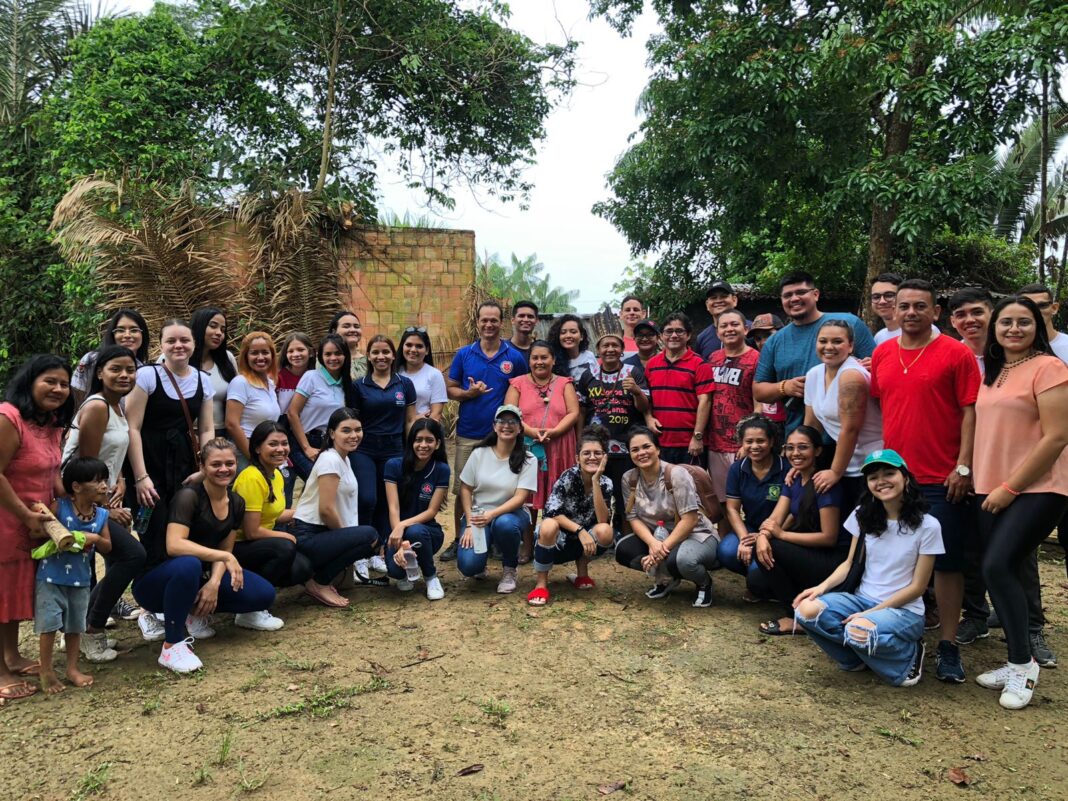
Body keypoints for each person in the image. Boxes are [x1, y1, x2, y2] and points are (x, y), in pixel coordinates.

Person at [869, 278, 980, 683]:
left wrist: (963, 467)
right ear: (894, 311)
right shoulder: (882, 353)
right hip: (896, 476)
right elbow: (885, 403)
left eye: (920, 306)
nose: (911, 312)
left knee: (946, 563)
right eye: (904, 306)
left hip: (942, 475)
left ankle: (948, 645)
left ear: (936, 312)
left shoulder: (956, 353)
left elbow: (970, 412)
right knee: (897, 558)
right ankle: (902, 633)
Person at [972, 296, 1068, 709]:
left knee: (997, 566)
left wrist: (1010, 487)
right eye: (1006, 322)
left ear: (1038, 327)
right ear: (994, 329)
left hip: (1038, 487)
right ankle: (1018, 658)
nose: (1014, 329)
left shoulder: (1050, 368)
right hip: (989, 484)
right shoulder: (994, 372)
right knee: (999, 570)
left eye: (1023, 322)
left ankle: (1022, 665)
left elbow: (1058, 436)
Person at [794, 450, 943, 686]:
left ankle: (908, 655)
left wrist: (870, 614)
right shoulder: (862, 515)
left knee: (858, 630)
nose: (881, 481)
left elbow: (917, 587)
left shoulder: (928, 526)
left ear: (905, 477)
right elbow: (849, 563)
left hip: (904, 611)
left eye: (889, 473)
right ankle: (854, 659)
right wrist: (820, 588)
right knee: (806, 610)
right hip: (862, 599)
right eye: (873, 477)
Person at [131, 439, 275, 674]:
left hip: (198, 576)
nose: (224, 469)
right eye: (216, 464)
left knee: (263, 594)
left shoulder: (236, 502)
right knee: (189, 564)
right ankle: (172, 645)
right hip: (157, 581)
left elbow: (225, 550)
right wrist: (224, 557)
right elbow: (174, 545)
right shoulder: (189, 497)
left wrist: (214, 584)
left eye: (229, 463)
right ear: (203, 466)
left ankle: (192, 611)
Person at [126, 319, 216, 643]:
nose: (179, 346)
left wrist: (205, 469)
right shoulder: (148, 376)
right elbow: (132, 427)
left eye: (185, 340)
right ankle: (149, 610)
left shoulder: (204, 380)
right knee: (151, 534)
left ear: (194, 344)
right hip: (148, 468)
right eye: (171, 340)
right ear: (161, 344)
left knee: (185, 532)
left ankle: (183, 604)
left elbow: (207, 428)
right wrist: (140, 477)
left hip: (184, 469)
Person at [60, 345, 144, 662]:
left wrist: (120, 479)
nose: (124, 375)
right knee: (132, 555)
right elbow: (85, 466)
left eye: (130, 370)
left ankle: (85, 624)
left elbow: (110, 455)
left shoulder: (117, 406)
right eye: (116, 369)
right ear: (99, 373)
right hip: (80, 501)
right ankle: (91, 628)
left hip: (98, 496)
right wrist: (108, 508)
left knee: (125, 557)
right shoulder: (97, 406)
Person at [0, 355, 74, 700]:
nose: (58, 389)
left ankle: (11, 656)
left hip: (34, 522)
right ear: (30, 381)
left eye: (64, 383)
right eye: (50, 381)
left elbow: (52, 473)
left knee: (12, 592)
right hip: (7, 519)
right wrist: (24, 514)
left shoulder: (51, 424)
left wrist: (76, 498)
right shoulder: (9, 418)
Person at [443, 300, 529, 560]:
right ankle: (459, 538)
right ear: (477, 322)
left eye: (494, 320)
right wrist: (468, 393)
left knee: (503, 487)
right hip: (469, 432)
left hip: (502, 436)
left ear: (501, 323)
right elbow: (450, 389)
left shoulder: (514, 357)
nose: (489, 324)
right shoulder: (464, 354)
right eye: (484, 320)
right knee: (464, 487)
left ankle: (499, 539)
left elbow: (523, 389)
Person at [753, 271, 876, 434]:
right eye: (787, 295)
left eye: (801, 292)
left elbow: (880, 369)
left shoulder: (849, 323)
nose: (794, 299)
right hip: (801, 437)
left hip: (854, 434)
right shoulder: (775, 341)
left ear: (816, 294)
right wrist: (785, 387)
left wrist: (871, 367)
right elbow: (759, 390)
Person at [750, 426, 844, 635]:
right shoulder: (793, 479)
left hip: (829, 559)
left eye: (803, 447)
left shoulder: (823, 484)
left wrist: (781, 535)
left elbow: (829, 537)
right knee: (756, 582)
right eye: (790, 448)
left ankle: (796, 616)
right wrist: (763, 535)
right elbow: (775, 517)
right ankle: (802, 601)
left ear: (817, 451)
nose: (795, 453)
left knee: (771, 548)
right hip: (806, 553)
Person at [615, 427, 720, 607]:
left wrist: (661, 549)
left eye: (646, 447)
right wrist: (653, 543)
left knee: (683, 561)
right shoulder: (629, 479)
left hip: (695, 535)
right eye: (635, 449)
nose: (641, 453)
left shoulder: (676, 474)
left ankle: (704, 582)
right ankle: (666, 578)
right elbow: (633, 518)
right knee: (624, 549)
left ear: (657, 449)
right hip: (658, 535)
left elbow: (690, 519)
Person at [34, 457, 113, 693]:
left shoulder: (101, 515)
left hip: (80, 580)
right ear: (76, 486)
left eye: (105, 480)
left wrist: (95, 538)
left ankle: (72, 668)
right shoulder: (60, 507)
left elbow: (108, 546)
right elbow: (38, 531)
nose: (104, 486)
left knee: (75, 625)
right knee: (49, 625)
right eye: (97, 481)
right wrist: (56, 533)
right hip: (50, 578)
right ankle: (46, 670)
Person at [292, 408, 384, 606]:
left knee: (369, 541)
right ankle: (319, 582)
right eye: (346, 430)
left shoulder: (344, 458)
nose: (354, 435)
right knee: (369, 535)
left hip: (323, 532)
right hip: (310, 535)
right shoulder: (330, 459)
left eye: (358, 430)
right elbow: (326, 510)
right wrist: (347, 539)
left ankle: (321, 576)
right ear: (332, 433)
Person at [232, 421, 314, 629]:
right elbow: (251, 531)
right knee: (285, 547)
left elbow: (274, 514)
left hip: (259, 542)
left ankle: (255, 594)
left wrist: (306, 513)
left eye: (284, 443)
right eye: (273, 444)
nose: (281, 449)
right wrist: (286, 536)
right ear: (257, 448)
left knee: (302, 567)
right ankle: (250, 609)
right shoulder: (252, 477)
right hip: (238, 545)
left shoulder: (275, 474)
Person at [505, 341, 580, 563]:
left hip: (560, 446)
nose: (539, 362)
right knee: (528, 498)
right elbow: (510, 413)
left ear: (553, 360)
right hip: (528, 448)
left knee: (559, 496)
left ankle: (555, 544)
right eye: (535, 357)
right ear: (529, 361)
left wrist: (555, 431)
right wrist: (531, 432)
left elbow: (573, 412)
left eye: (544, 357)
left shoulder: (565, 383)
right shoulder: (517, 383)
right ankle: (527, 545)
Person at [802, 319, 884, 515]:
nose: (829, 347)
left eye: (837, 341)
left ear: (851, 346)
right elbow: (811, 426)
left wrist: (835, 472)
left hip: (872, 463)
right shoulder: (814, 374)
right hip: (843, 463)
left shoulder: (851, 376)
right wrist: (803, 460)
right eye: (823, 341)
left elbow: (851, 429)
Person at [527, 428, 615, 606]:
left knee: (605, 531)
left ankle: (582, 574)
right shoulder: (568, 477)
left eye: (597, 453)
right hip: (558, 540)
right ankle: (541, 584)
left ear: (605, 457)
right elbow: (551, 512)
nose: (592, 457)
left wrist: (596, 481)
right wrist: (580, 531)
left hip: (583, 542)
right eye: (586, 453)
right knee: (548, 525)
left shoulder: (606, 482)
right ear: (577, 458)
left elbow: (602, 520)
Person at [456, 405, 538, 593]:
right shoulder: (479, 453)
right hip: (478, 515)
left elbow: (520, 498)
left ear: (520, 428)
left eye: (512, 422)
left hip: (511, 514)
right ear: (494, 426)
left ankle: (510, 568)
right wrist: (469, 523)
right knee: (468, 566)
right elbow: (466, 489)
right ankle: (480, 560)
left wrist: (492, 515)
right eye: (501, 421)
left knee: (504, 524)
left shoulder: (528, 459)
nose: (506, 426)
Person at [576, 329, 651, 534]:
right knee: (595, 491)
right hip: (595, 447)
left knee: (624, 493)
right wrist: (579, 441)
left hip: (625, 444)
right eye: (605, 346)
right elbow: (582, 411)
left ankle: (625, 536)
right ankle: (596, 535)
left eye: (615, 345)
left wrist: (636, 391)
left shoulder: (633, 372)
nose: (610, 349)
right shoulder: (589, 375)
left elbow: (644, 407)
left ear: (622, 349)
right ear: (598, 350)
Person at [352, 335, 417, 543]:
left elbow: (410, 420)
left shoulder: (405, 384)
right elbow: (353, 421)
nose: (381, 356)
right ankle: (363, 544)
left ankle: (382, 546)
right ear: (368, 356)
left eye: (386, 352)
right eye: (376, 352)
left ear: (393, 355)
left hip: (394, 449)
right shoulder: (358, 386)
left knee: (387, 499)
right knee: (367, 498)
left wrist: (411, 450)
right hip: (365, 449)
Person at [699, 309, 759, 525]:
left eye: (734, 324)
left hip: (743, 444)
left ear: (746, 329)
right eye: (724, 326)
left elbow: (759, 404)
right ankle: (727, 543)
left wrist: (748, 441)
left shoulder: (756, 359)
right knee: (723, 504)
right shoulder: (713, 358)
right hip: (716, 443)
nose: (729, 329)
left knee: (751, 501)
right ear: (718, 333)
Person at [383, 419, 450, 601]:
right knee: (395, 571)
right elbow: (393, 507)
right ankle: (406, 570)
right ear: (411, 441)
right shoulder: (393, 465)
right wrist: (399, 540)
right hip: (396, 531)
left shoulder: (441, 469)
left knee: (416, 531)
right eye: (418, 439)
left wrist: (402, 526)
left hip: (426, 532)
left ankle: (431, 577)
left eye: (429, 440)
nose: (423, 445)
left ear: (437, 444)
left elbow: (431, 511)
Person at [719, 415, 789, 588]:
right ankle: (756, 581)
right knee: (726, 551)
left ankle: (763, 585)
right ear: (742, 443)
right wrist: (744, 539)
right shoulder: (737, 469)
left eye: (761, 441)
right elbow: (732, 509)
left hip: (781, 531)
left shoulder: (786, 469)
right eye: (749, 441)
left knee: (759, 568)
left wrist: (766, 534)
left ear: (771, 442)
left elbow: (793, 511)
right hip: (750, 527)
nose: (755, 446)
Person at [287, 333, 360, 482]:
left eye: (338, 353)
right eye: (328, 354)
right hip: (306, 442)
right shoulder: (311, 377)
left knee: (332, 487)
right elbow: (292, 413)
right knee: (320, 483)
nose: (333, 358)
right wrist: (307, 448)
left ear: (345, 355)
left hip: (332, 444)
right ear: (320, 356)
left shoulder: (347, 383)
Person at [644, 312, 711, 466]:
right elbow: (646, 398)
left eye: (679, 331)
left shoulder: (700, 364)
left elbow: (705, 401)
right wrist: (648, 418)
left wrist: (697, 437)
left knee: (692, 482)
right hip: (660, 442)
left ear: (688, 335)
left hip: (690, 444)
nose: (674, 335)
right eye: (669, 331)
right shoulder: (652, 365)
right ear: (661, 336)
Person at [226, 332, 281, 469]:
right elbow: (232, 423)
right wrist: (253, 458)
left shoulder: (270, 383)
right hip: (246, 451)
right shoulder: (240, 383)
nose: (260, 357)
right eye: (254, 353)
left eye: (265, 352)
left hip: (266, 451)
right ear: (246, 356)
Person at [71, 308, 150, 404]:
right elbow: (77, 395)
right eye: (120, 330)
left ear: (143, 335)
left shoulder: (145, 370)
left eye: (134, 330)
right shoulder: (92, 359)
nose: (127, 335)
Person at [275, 331, 315, 505]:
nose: (295, 354)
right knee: (287, 482)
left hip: (310, 434)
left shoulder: (316, 376)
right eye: (291, 351)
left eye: (300, 350)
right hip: (284, 434)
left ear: (311, 352)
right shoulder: (278, 377)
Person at [189, 307, 238, 438]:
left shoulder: (227, 359)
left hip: (221, 434)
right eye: (213, 326)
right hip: (185, 434)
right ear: (199, 326)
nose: (219, 333)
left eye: (223, 330)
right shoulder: (177, 357)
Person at [748, 313, 787, 434]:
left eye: (768, 335)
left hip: (789, 423)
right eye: (758, 339)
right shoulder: (757, 361)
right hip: (765, 425)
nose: (763, 342)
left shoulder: (791, 360)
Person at [398, 327, 447, 421]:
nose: (413, 349)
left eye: (419, 346)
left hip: (421, 428)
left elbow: (436, 414)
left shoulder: (434, 375)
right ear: (402, 347)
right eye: (409, 345)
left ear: (427, 350)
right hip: (394, 429)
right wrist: (413, 419)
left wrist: (417, 424)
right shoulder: (394, 373)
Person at [695, 281, 749, 359]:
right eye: (713, 298)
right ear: (707, 304)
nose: (718, 301)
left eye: (723, 296)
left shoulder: (752, 330)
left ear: (734, 300)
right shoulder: (702, 338)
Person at [1019, 283, 1068, 363]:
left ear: (1054, 308)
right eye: (1027, 306)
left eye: (1042, 305)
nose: (1035, 311)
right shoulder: (1011, 347)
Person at [947, 288, 994, 370]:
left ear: (993, 315)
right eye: (961, 315)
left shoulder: (1011, 354)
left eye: (977, 312)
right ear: (953, 321)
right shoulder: (947, 358)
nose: (969, 320)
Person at [548, 314, 597, 382]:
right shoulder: (553, 361)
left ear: (581, 336)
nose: (568, 336)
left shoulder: (589, 356)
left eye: (573, 332)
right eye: (563, 332)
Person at [328, 310, 368, 379]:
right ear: (334, 331)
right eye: (346, 326)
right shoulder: (324, 361)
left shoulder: (370, 362)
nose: (353, 330)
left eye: (356, 327)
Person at [870, 272, 905, 345]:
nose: (882, 301)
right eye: (876, 297)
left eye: (889, 295)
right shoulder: (879, 337)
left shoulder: (919, 332)